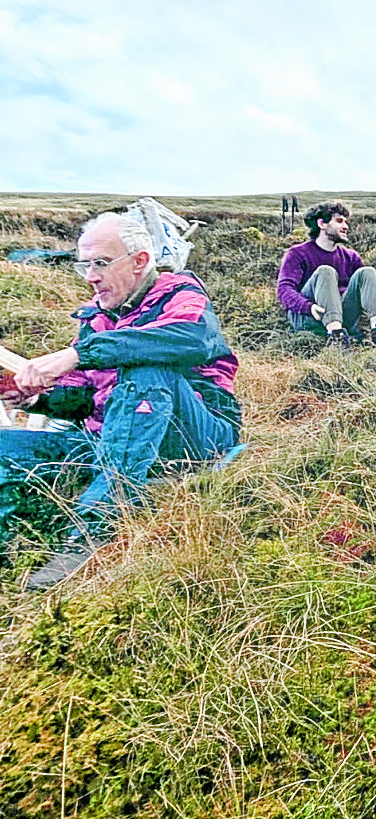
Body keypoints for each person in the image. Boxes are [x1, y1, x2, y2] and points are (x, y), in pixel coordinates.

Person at [1, 212, 241, 588]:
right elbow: (85, 400)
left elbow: (191, 340)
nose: (90, 276)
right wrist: (36, 401)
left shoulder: (182, 294)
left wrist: (79, 354)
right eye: (85, 264)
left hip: (195, 435)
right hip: (109, 439)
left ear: (139, 262)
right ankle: (15, 541)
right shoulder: (95, 317)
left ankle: (94, 533)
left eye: (100, 262)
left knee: (146, 368)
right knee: (5, 446)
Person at [278, 201, 376, 347]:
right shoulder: (297, 253)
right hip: (309, 317)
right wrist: (308, 307)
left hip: (342, 315)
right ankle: (336, 337)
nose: (346, 226)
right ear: (321, 224)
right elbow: (284, 290)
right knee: (326, 271)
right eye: (339, 221)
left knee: (367, 272)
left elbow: (361, 288)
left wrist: (374, 297)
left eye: (345, 222)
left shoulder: (350, 256)